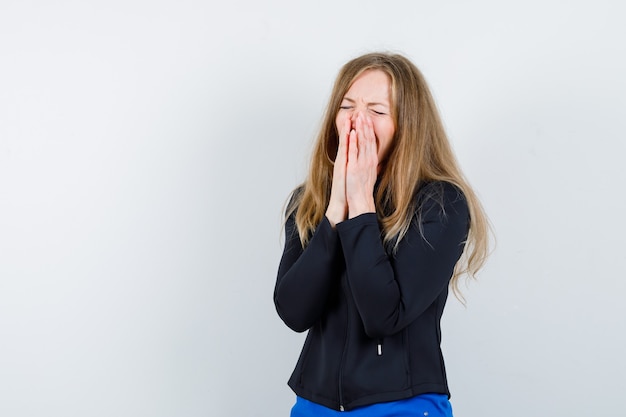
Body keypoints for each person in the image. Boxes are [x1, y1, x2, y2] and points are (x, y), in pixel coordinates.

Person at [274, 52, 490, 417]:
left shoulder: (440, 203)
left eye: (377, 110)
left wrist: (360, 204)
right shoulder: (308, 201)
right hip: (315, 404)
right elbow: (294, 311)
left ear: (408, 125)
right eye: (347, 106)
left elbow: (384, 316)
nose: (358, 120)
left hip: (402, 404)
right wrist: (334, 210)